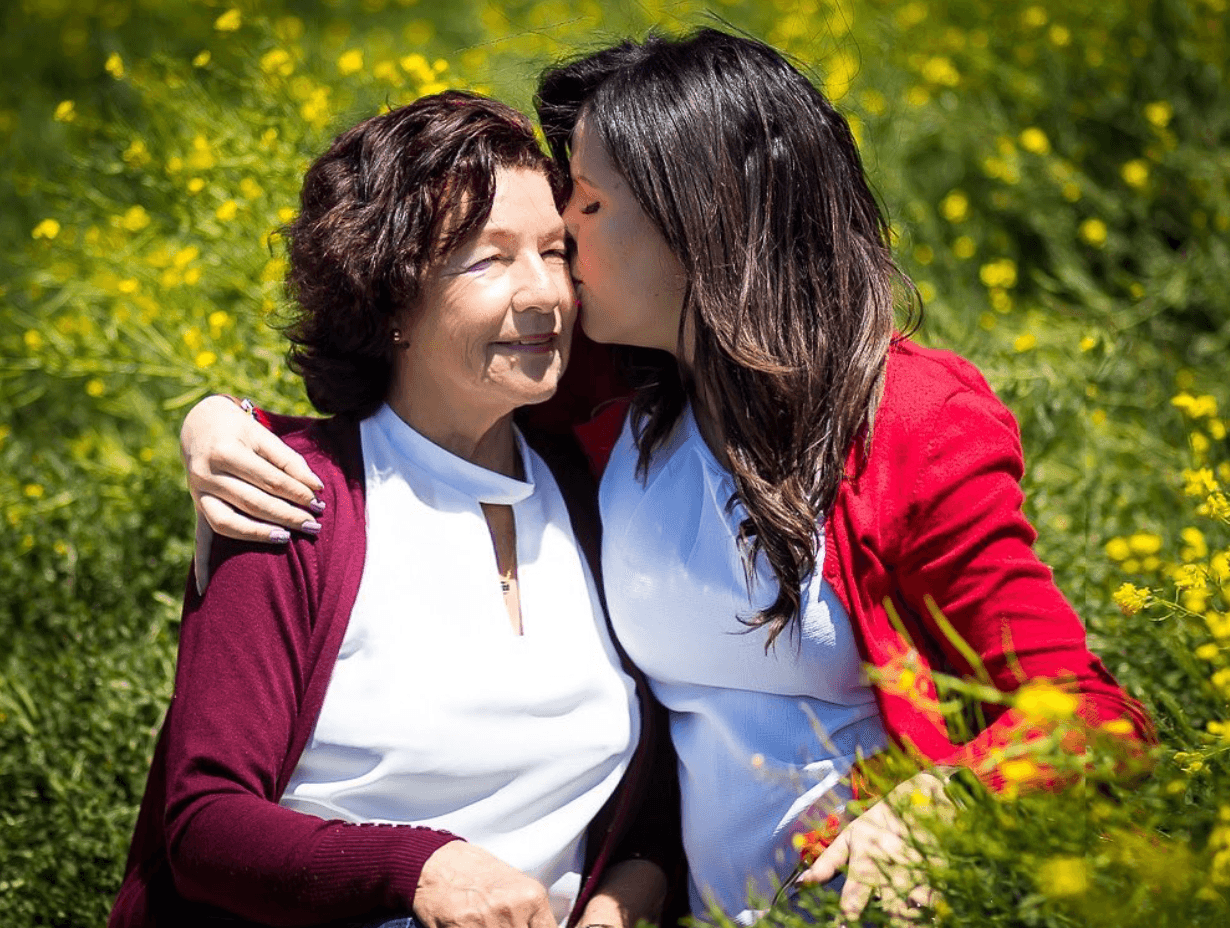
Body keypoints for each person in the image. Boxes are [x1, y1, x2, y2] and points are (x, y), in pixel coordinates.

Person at [177, 29, 1154, 926]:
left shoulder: (906, 421)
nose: (557, 254)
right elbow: (422, 384)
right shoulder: (617, 401)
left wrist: (944, 803)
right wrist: (218, 421)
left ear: (700, 224)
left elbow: (1093, 715)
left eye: (586, 209)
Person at [110, 91, 682, 928]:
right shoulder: (293, 499)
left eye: (555, 252)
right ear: (388, 295)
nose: (543, 294)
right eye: (487, 260)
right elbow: (204, 822)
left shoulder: (600, 487)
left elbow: (664, 791)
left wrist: (620, 903)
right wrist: (419, 868)